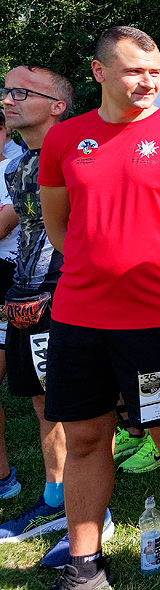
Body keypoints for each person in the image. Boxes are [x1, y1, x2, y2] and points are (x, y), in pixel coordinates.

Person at [38, 26, 160, 590]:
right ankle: (85, 565)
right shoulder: (64, 140)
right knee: (83, 439)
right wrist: (91, 266)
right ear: (99, 73)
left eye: (154, 71)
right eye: (132, 70)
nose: (146, 81)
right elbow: (59, 225)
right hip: (78, 319)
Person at [0, 67, 72, 550]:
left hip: (69, 294)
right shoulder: (17, 166)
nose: (8, 99)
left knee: (75, 404)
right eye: (6, 90)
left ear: (57, 105)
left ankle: (83, 508)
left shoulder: (78, 155)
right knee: (42, 400)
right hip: (24, 296)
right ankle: (54, 497)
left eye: (21, 92)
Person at [0, 109, 24, 501]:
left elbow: (5, 223)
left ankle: (5, 478)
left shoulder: (16, 167)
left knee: (42, 395)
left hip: (11, 283)